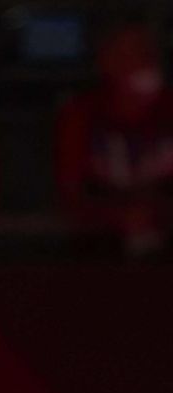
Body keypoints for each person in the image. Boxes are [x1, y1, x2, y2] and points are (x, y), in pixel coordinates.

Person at [56, 24, 172, 257]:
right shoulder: (80, 116)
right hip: (99, 247)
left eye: (143, 54)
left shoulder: (169, 109)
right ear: (105, 62)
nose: (137, 63)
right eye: (125, 55)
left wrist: (157, 214)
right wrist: (117, 217)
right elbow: (69, 193)